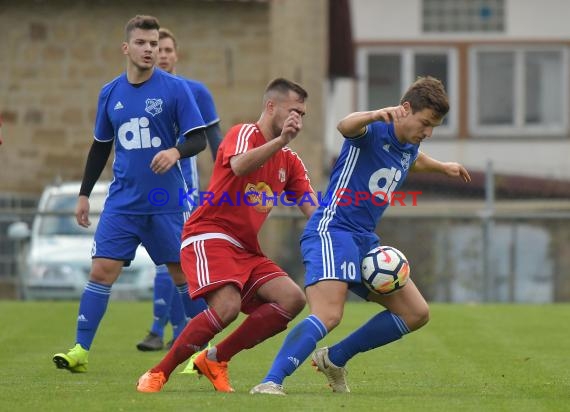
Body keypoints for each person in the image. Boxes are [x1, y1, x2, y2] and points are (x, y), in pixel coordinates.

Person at [250, 76, 471, 395]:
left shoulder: (411, 143)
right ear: (405, 109)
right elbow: (345, 125)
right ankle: (271, 381)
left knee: (416, 313)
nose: (428, 132)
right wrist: (374, 113)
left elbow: (412, 160)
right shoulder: (372, 130)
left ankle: (334, 358)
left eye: (433, 126)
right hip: (333, 230)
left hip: (364, 240)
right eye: (425, 123)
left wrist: (443, 167)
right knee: (328, 314)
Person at [136, 77, 318, 393]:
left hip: (246, 249)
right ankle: (157, 373)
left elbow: (313, 210)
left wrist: (341, 232)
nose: (297, 119)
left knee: (292, 299)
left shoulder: (290, 161)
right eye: (293, 111)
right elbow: (240, 166)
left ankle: (216, 358)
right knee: (227, 307)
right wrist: (280, 141)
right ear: (271, 106)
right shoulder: (243, 133)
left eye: (302, 114)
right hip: (209, 234)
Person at [52, 15, 208, 373]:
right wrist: (83, 194)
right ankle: (80, 350)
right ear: (127, 48)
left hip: (165, 204)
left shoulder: (175, 89)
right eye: (142, 43)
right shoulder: (110, 93)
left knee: (182, 275)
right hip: (122, 202)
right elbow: (99, 148)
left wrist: (175, 152)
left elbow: (197, 138)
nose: (150, 50)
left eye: (154, 44)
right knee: (101, 271)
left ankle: (202, 351)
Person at [136, 27, 223, 352]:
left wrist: (221, 185)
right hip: (147, 187)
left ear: (176, 55)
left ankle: (162, 330)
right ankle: (171, 330)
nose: (163, 54)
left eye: (168, 49)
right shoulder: (135, 92)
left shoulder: (195, 92)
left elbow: (214, 140)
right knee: (167, 259)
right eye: (158, 49)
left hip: (184, 186)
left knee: (176, 257)